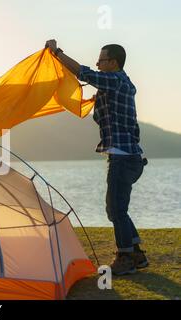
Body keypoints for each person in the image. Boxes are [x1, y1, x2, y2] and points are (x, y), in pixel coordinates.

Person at [45, 40, 149, 276]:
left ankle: (125, 258)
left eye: (101, 60)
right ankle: (136, 253)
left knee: (116, 209)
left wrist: (57, 52)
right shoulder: (120, 84)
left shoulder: (115, 80)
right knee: (116, 209)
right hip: (129, 156)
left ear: (113, 62)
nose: (97, 63)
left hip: (123, 158)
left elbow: (84, 73)